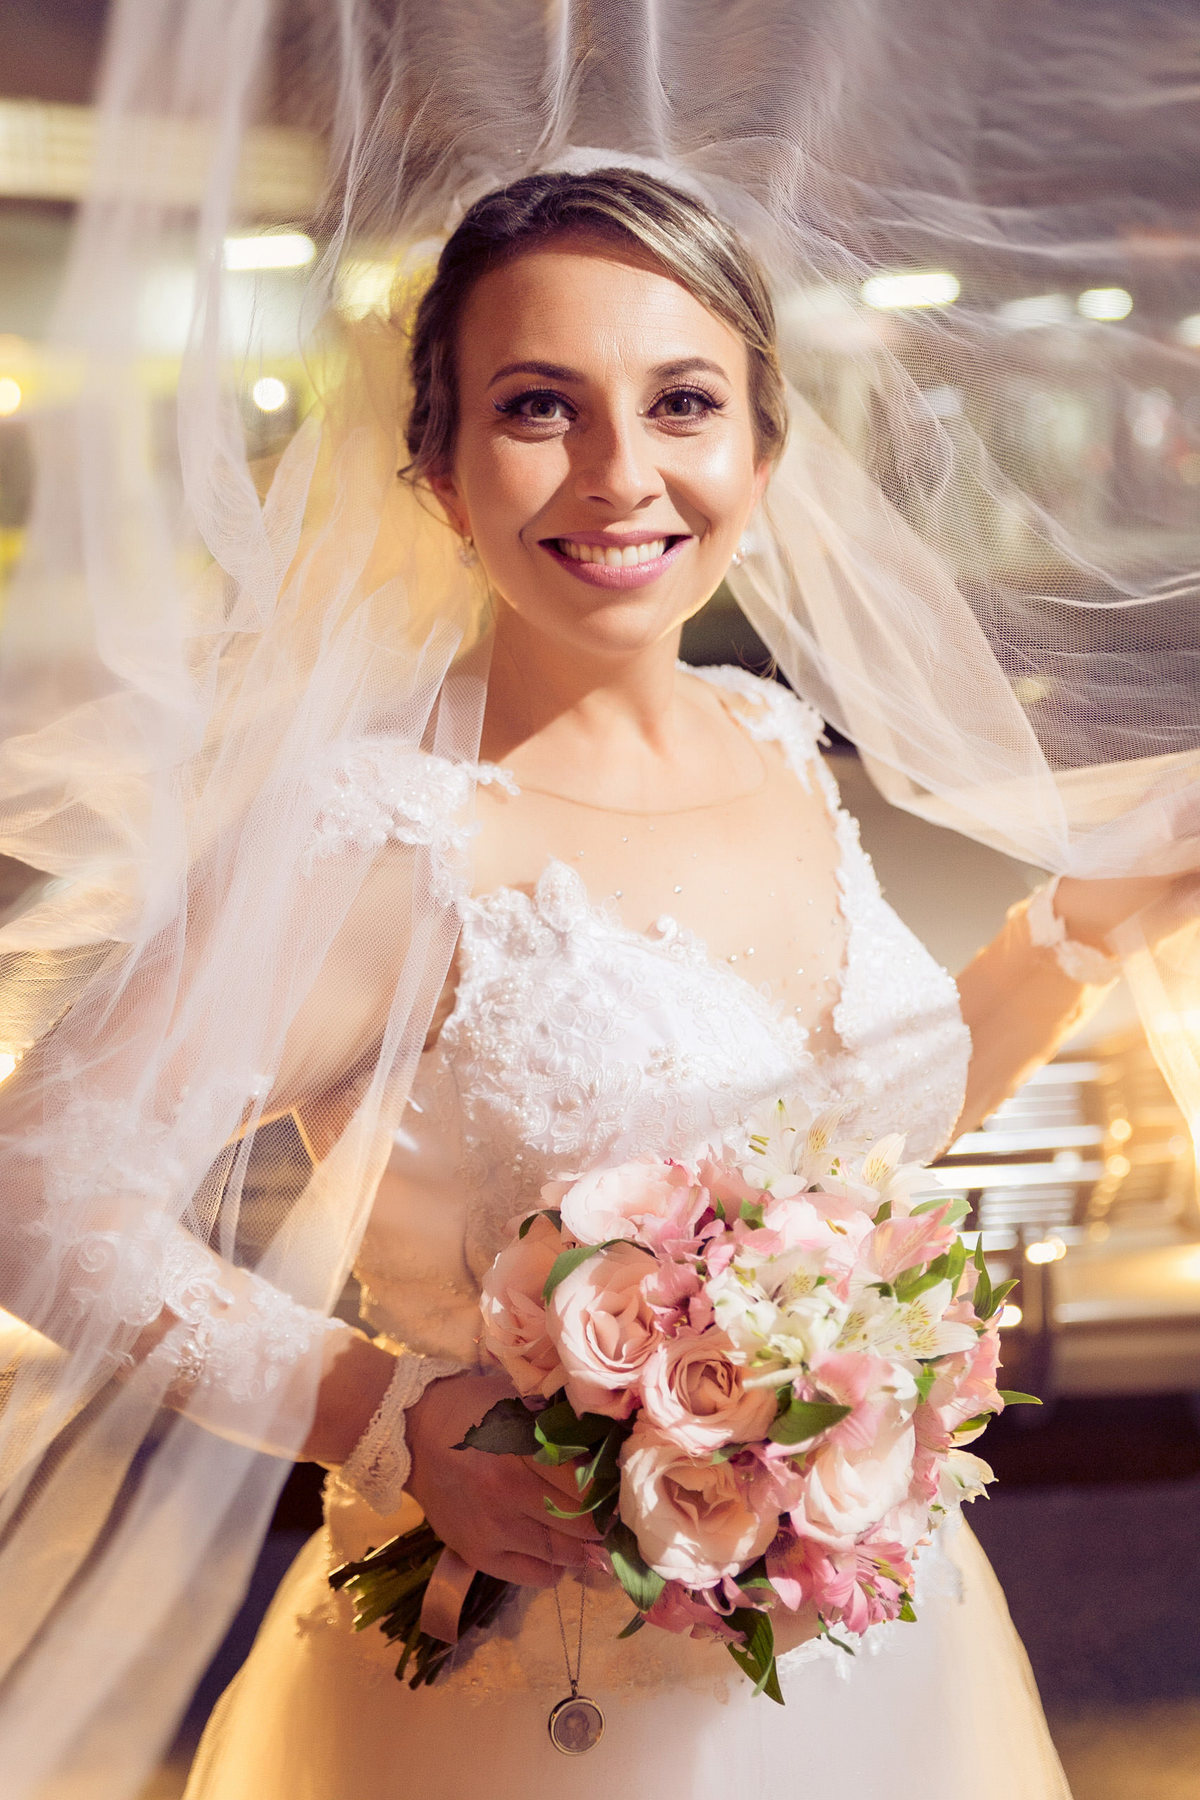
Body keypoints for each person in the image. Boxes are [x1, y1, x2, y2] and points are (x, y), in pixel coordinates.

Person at [158, 167, 1183, 1800]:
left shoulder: (769, 738)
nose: (622, 473)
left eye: (684, 402)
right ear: (437, 468)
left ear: (763, 451)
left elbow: (842, 1145)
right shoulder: (378, 835)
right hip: (532, 1707)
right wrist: (391, 1414)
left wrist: (1086, 924)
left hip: (873, 1675)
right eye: (539, 408)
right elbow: (34, 1193)